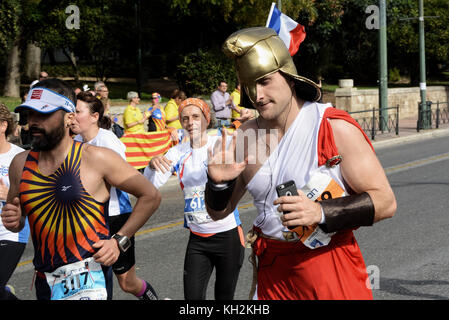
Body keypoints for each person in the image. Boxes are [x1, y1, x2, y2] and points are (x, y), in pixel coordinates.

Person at [204, 27, 397, 300]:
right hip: (273, 272)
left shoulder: (331, 126)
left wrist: (320, 212)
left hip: (327, 264)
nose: (257, 95)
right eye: (249, 85)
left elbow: (386, 203)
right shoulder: (246, 136)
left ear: (289, 77)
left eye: (265, 81)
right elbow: (218, 214)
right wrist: (217, 184)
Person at [1, 78, 161, 300]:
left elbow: (150, 195)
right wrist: (14, 220)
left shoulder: (97, 158)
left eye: (43, 114)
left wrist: (119, 240)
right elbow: (18, 218)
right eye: (30, 114)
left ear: (69, 117)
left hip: (90, 278)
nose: (33, 123)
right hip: (46, 281)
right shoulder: (20, 163)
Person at [144, 98, 244, 300]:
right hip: (198, 239)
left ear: (207, 119)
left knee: (224, 298)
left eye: (196, 117)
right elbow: (149, 185)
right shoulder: (176, 152)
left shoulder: (221, 143)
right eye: (185, 118)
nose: (191, 122)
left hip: (228, 236)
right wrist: (151, 165)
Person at [71, 92, 158, 300]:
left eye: (77, 112)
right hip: (89, 219)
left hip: (115, 216)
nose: (72, 116)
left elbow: (125, 179)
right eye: (71, 112)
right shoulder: (75, 140)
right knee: (94, 278)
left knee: (127, 282)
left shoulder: (107, 140)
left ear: (94, 117)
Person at [0, 103, 29, 300]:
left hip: (10, 232)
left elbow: (36, 197)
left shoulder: (18, 157)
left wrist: (7, 195)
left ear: (3, 126)